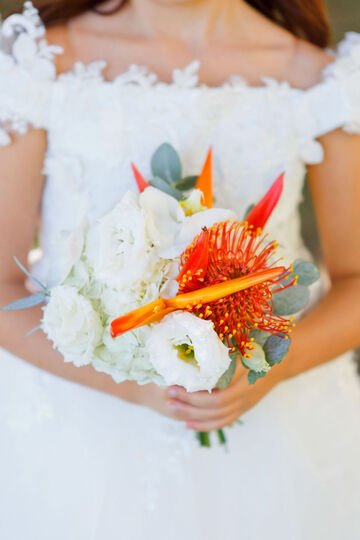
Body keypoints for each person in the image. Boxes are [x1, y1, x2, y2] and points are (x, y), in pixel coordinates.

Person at [0, 1, 359, 539]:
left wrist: (272, 369)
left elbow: (353, 280)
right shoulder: (40, 64)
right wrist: (134, 388)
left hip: (269, 435)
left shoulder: (316, 80)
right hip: (77, 432)